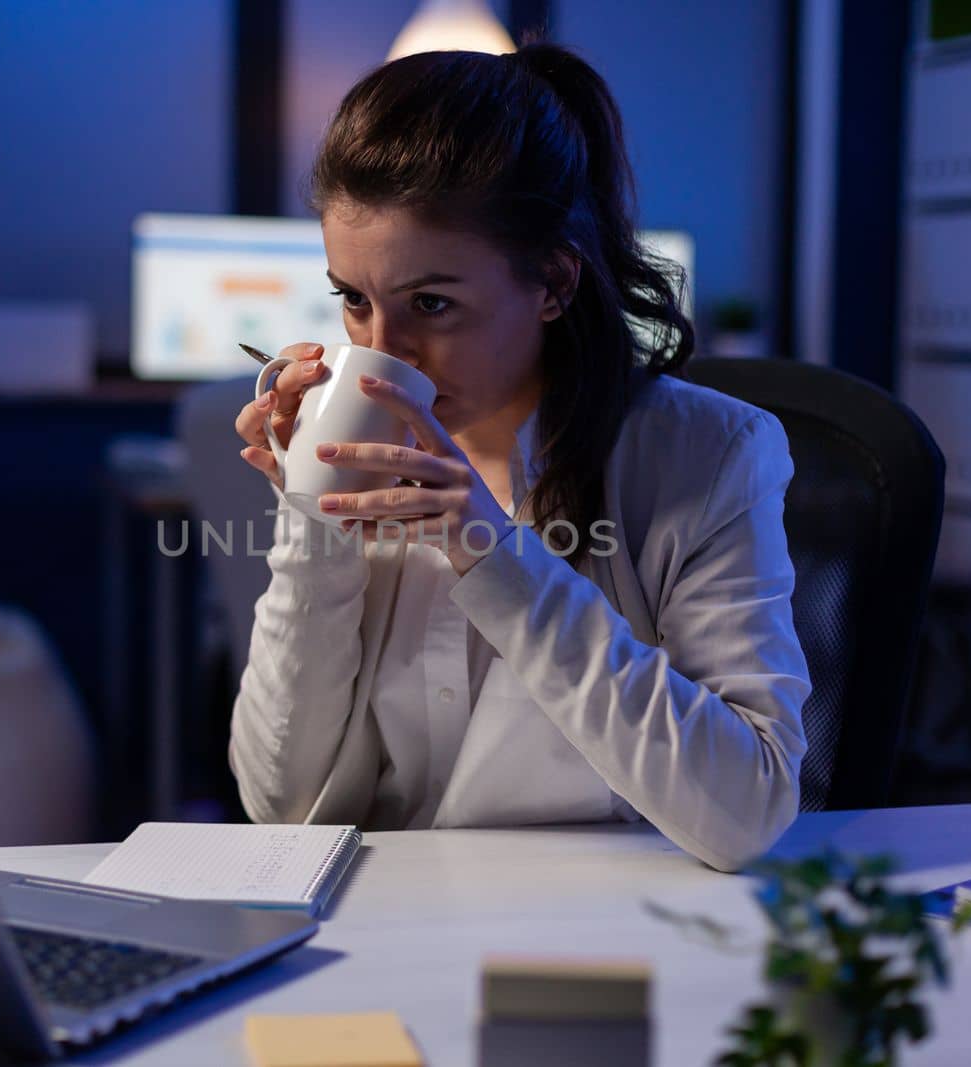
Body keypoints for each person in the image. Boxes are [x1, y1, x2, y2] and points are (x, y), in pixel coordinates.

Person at [227, 43, 810, 872]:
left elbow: (748, 808)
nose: (385, 353)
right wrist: (313, 523)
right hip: (385, 933)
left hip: (600, 933)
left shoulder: (710, 456)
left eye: (433, 303)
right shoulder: (361, 454)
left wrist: (495, 559)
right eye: (354, 300)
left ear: (552, 284)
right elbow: (277, 803)